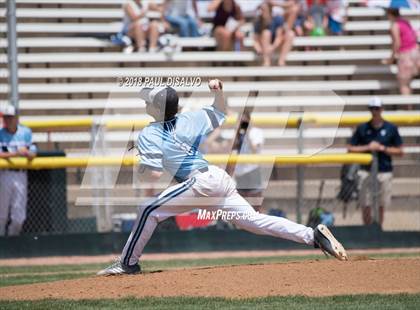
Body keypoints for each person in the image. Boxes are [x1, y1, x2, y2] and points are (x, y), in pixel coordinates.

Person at [97, 79, 348, 275]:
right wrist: (218, 92)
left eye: (148, 103)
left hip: (199, 182)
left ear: (156, 108)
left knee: (148, 209)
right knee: (254, 221)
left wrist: (140, 160)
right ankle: (312, 235)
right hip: (216, 178)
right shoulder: (189, 119)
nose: (145, 105)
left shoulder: (149, 133)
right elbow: (220, 110)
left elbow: (151, 174)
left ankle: (127, 263)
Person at [347, 97, 403, 226]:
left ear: (382, 109)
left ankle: (379, 229)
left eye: (377, 108)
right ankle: (367, 230)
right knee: (365, 203)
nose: (374, 111)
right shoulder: (362, 128)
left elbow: (400, 151)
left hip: (384, 170)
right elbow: (350, 148)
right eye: (372, 109)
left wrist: (382, 148)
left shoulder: (391, 128)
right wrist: (368, 147)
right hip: (366, 170)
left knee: (381, 203)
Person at [0, 106, 37, 236]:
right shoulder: (0, 133)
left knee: (19, 217)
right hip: (4, 173)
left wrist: (26, 152)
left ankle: (11, 241)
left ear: (16, 118)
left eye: (10, 117)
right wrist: (16, 153)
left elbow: (33, 153)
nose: (8, 120)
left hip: (21, 174)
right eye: (6, 117)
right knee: (2, 214)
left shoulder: (25, 132)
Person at [232, 109, 265, 212]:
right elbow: (230, 148)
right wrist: (237, 133)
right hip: (240, 172)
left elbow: (255, 149)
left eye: (244, 121)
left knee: (256, 205)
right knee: (240, 205)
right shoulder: (236, 134)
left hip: (252, 170)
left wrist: (247, 134)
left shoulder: (256, 132)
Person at [382, 8, 419, 96]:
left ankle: (408, 109)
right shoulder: (405, 21)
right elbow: (414, 36)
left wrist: (391, 59)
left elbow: (397, 43)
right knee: (408, 82)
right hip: (416, 53)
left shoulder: (395, 25)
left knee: (404, 84)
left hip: (406, 56)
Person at [253, 1, 295, 66]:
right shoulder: (258, 21)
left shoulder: (278, 19)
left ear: (269, 10)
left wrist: (272, 48)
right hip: (264, 44)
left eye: (263, 9)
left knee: (290, 34)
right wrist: (258, 49)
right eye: (261, 9)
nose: (261, 12)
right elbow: (256, 39)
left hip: (276, 44)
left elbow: (279, 37)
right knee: (266, 33)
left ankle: (281, 61)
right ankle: (266, 61)